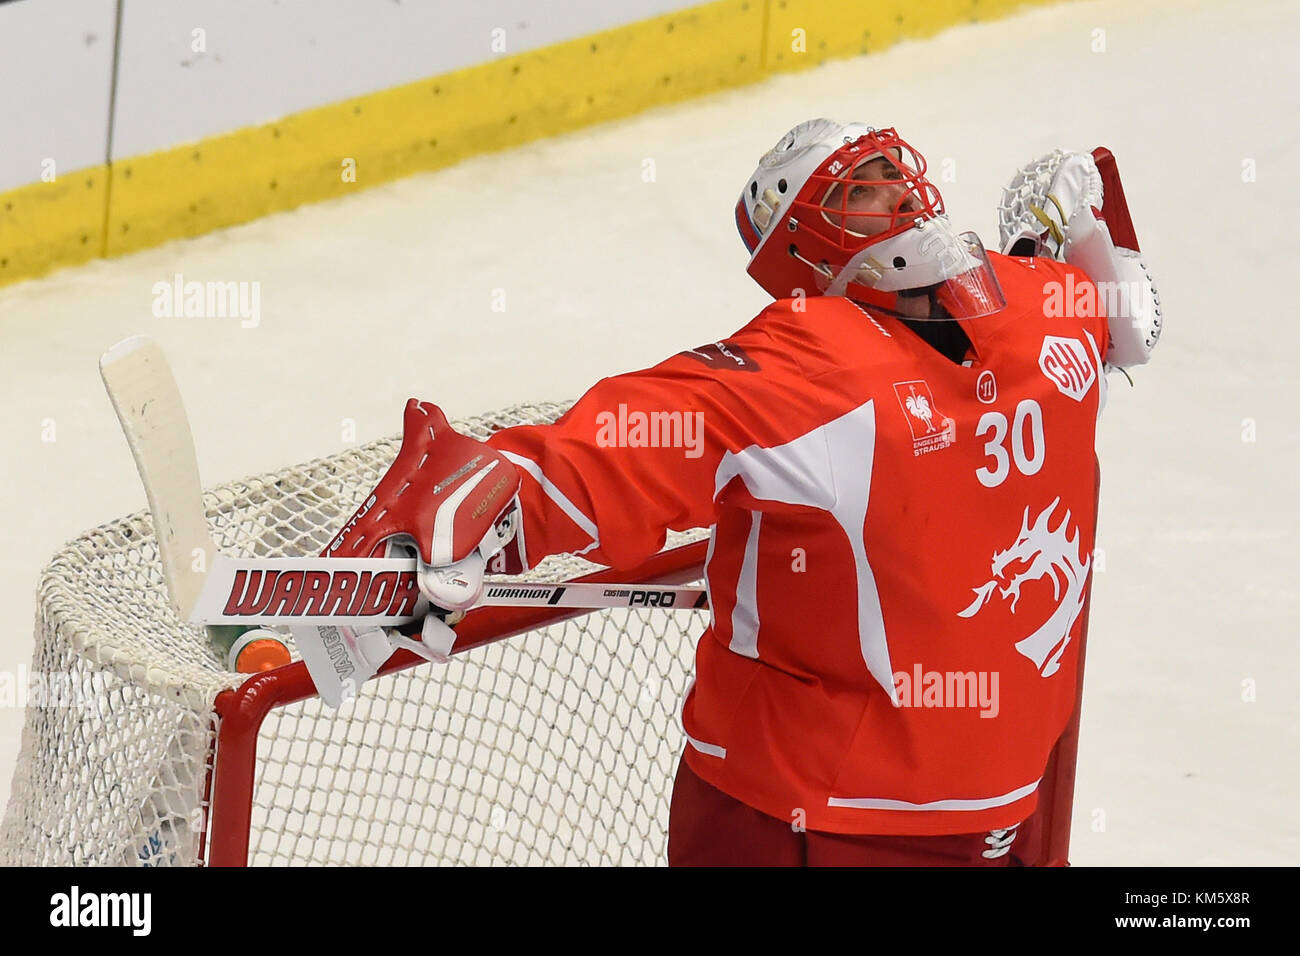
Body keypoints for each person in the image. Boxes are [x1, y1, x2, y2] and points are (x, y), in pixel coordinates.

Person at [326, 120, 1162, 866]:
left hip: (804, 820)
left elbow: (625, 442)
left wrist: (455, 520)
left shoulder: (813, 367)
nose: (890, 201)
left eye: (881, 186)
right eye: (865, 190)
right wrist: (1077, 235)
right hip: (1003, 801)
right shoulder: (1046, 305)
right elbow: (1130, 322)